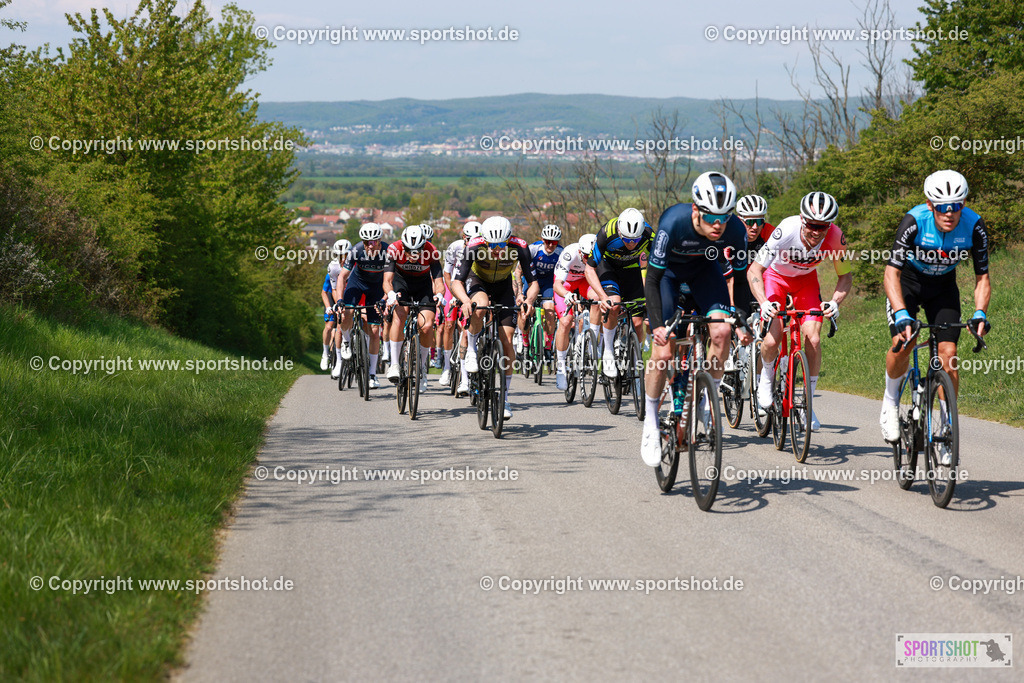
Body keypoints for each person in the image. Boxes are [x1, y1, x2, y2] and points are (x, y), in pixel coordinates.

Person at [640, 172, 749, 466]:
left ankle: (706, 396)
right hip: (668, 278)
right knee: (663, 352)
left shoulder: (736, 230)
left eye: (725, 216)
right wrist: (657, 325)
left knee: (722, 332)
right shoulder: (672, 223)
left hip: (704, 273)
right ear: (696, 210)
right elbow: (652, 279)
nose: (718, 224)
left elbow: (740, 280)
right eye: (711, 216)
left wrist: (743, 317)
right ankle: (650, 422)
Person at [878, 170, 990, 450]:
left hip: (943, 288)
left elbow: (982, 278)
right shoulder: (914, 222)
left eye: (956, 206)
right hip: (908, 284)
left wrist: (980, 312)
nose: (949, 213)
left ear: (963, 204)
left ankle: (946, 426)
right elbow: (890, 273)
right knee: (904, 342)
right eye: (942, 207)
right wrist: (902, 312)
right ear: (930, 204)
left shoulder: (975, 226)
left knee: (948, 353)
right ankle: (890, 403)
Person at [748, 191, 852, 432]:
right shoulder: (786, 230)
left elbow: (845, 277)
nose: (817, 232)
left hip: (805, 282)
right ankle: (765, 379)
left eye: (823, 226)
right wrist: (764, 302)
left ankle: (807, 403)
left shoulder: (836, 237)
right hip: (776, 278)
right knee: (773, 339)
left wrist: (835, 302)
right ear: (803, 220)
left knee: (813, 339)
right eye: (813, 225)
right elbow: (754, 270)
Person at [450, 216, 539, 420]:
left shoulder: (520, 247)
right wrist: (464, 300)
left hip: (503, 286)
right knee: (479, 307)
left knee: (507, 341)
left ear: (508, 240)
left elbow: (532, 282)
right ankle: (471, 350)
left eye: (501, 245)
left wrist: (529, 300)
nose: (496, 249)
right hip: (477, 281)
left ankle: (505, 398)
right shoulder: (473, 246)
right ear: (484, 240)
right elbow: (457, 281)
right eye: (492, 245)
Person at [585, 208, 652, 378]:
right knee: (613, 305)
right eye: (627, 240)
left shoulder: (649, 234)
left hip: (631, 270)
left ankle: (635, 362)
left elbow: (662, 264)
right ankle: (607, 352)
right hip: (608, 268)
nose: (632, 244)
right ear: (620, 232)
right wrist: (602, 297)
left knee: (638, 323)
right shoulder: (607, 233)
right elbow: (589, 268)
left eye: (636, 239)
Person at [383, 225, 444, 391]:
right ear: (403, 246)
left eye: (417, 250)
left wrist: (439, 295)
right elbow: (387, 280)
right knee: (400, 316)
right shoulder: (394, 249)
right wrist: (390, 294)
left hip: (422, 286)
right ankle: (394, 364)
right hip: (401, 283)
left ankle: (422, 369)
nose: (412, 254)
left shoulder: (432, 251)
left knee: (427, 325)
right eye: (409, 250)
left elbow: (439, 281)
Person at [337, 225, 387, 388]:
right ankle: (346, 342)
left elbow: (392, 279)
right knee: (346, 313)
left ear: (380, 241)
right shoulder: (356, 250)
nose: (370, 245)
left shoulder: (388, 251)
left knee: (374, 331)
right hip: (357, 283)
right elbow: (342, 276)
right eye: (366, 242)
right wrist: (339, 300)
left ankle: (372, 374)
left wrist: (386, 297)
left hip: (377, 287)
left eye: (373, 241)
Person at [552, 233, 598, 389]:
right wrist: (566, 295)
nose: (587, 260)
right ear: (580, 252)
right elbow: (557, 284)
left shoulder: (598, 255)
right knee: (565, 322)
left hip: (585, 282)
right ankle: (561, 366)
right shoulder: (569, 253)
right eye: (585, 256)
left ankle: (592, 343)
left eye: (590, 257)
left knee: (598, 299)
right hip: (566, 285)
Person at [441, 221, 481, 391]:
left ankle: (467, 376)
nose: (472, 243)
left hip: (472, 285)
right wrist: (454, 294)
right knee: (449, 323)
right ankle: (446, 368)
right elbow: (447, 272)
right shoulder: (455, 247)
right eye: (469, 240)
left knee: (467, 330)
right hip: (454, 285)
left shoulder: (481, 249)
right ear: (464, 238)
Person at [517, 224, 564, 363]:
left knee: (549, 312)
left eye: (554, 242)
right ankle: (524, 344)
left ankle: (548, 347)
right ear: (542, 239)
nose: (550, 245)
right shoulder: (533, 249)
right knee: (524, 311)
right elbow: (518, 272)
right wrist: (520, 292)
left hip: (548, 283)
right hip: (531, 281)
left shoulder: (561, 252)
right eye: (547, 241)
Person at [321, 239, 351, 371]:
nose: (343, 259)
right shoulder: (333, 268)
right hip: (333, 297)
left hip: (349, 294)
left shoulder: (355, 266)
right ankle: (326, 353)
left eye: (346, 255)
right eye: (340, 256)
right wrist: (330, 307)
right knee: (330, 326)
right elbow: (326, 291)